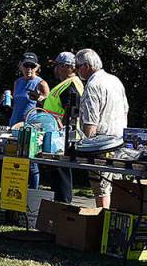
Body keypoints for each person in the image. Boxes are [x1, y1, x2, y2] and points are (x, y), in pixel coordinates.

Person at [76, 48, 129, 208]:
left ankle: (102, 226)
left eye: (78, 67)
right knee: (121, 190)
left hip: (100, 147)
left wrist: (83, 147)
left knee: (101, 190)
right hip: (121, 144)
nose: (77, 71)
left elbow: (91, 122)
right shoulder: (115, 80)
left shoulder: (92, 85)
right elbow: (126, 109)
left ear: (86, 66)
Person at [43, 52, 84, 203]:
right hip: (57, 136)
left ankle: (63, 207)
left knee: (61, 174)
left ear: (68, 67)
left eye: (58, 66)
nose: (55, 69)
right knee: (56, 174)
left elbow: (71, 108)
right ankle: (59, 207)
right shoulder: (66, 83)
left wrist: (62, 127)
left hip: (61, 137)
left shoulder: (71, 84)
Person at [8, 52, 50, 190]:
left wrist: (39, 98)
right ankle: (16, 191)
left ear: (37, 67)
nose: (29, 69)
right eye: (26, 65)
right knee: (14, 161)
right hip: (15, 124)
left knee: (31, 163)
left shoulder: (41, 83)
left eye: (32, 66)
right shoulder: (18, 82)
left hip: (31, 127)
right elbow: (16, 103)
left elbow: (48, 109)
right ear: (20, 66)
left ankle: (33, 192)